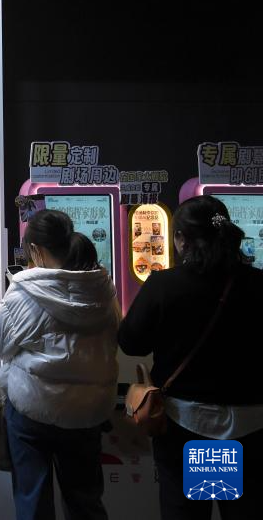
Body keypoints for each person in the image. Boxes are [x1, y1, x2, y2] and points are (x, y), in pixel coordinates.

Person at [119, 195, 263, 520]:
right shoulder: (258, 284)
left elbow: (131, 343)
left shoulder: (164, 285)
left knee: (184, 512)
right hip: (252, 425)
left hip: (184, 424)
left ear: (181, 239)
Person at [0, 209, 119, 520]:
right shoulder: (103, 288)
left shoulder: (25, 291)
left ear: (35, 249)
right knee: (85, 501)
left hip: (34, 408)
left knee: (33, 501)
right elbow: (116, 334)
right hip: (89, 411)